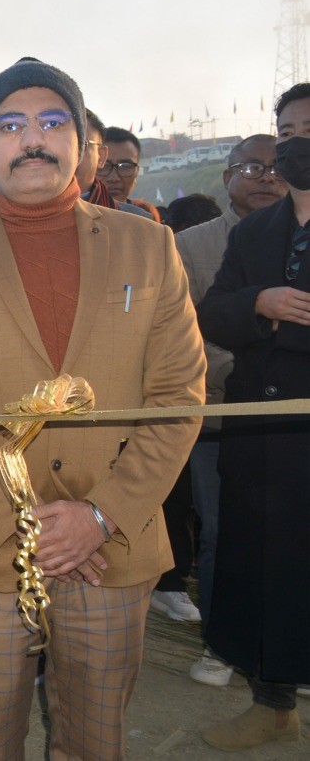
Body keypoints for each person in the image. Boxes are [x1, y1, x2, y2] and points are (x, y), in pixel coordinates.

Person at [0, 59, 205, 761]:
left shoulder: (148, 245)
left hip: (112, 546)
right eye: (9, 125)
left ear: (83, 142)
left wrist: (99, 516)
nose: (31, 139)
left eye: (52, 122)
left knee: (96, 739)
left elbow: (178, 395)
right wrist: (26, 524)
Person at [196, 86, 310, 749]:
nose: (298, 142)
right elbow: (213, 313)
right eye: (287, 130)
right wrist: (259, 302)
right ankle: (272, 704)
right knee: (264, 571)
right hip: (261, 435)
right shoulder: (254, 231)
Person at [176, 134, 287, 688]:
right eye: (252, 167)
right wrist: (248, 376)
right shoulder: (189, 246)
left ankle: (288, 655)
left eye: (275, 167)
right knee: (223, 532)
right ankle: (221, 644)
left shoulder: (298, 237)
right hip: (219, 415)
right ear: (226, 178)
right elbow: (181, 333)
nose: (266, 177)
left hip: (295, 420)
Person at [78, 111, 153, 219]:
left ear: (137, 172)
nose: (114, 178)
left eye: (125, 167)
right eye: (105, 166)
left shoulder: (144, 222)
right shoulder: (68, 217)